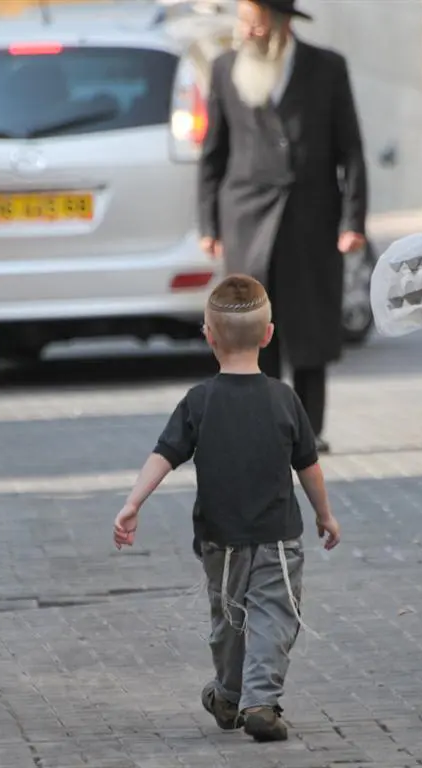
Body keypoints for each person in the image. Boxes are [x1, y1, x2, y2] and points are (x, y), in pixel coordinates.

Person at [114, 274, 340, 743]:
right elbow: (309, 467)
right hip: (277, 538)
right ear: (269, 334)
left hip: (219, 540)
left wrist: (133, 503)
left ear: (208, 336)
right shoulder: (285, 398)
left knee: (229, 621)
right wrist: (324, 514)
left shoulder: (199, 401)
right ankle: (256, 701)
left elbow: (164, 454)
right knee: (273, 617)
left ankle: (230, 694)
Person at [198, 0, 368, 453]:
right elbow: (213, 152)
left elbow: (350, 150)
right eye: (243, 22)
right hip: (246, 218)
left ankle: (309, 432)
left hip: (311, 216)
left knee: (311, 331)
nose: (247, 31)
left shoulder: (327, 67)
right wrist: (208, 225)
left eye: (255, 23)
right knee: (252, 328)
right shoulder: (223, 69)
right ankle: (264, 428)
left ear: (281, 23)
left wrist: (353, 221)